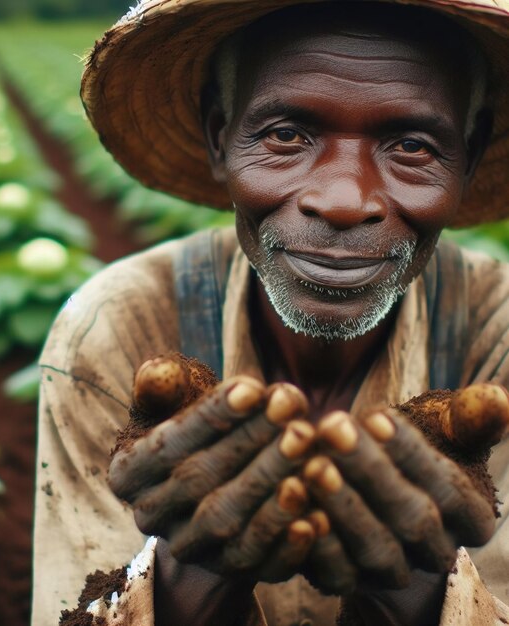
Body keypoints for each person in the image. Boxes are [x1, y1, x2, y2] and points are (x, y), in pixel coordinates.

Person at [32, 0, 509, 624]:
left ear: (467, 160)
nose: (343, 201)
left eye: (412, 146)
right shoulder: (116, 328)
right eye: (287, 135)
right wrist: (187, 567)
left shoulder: (495, 338)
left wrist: (424, 584)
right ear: (219, 137)